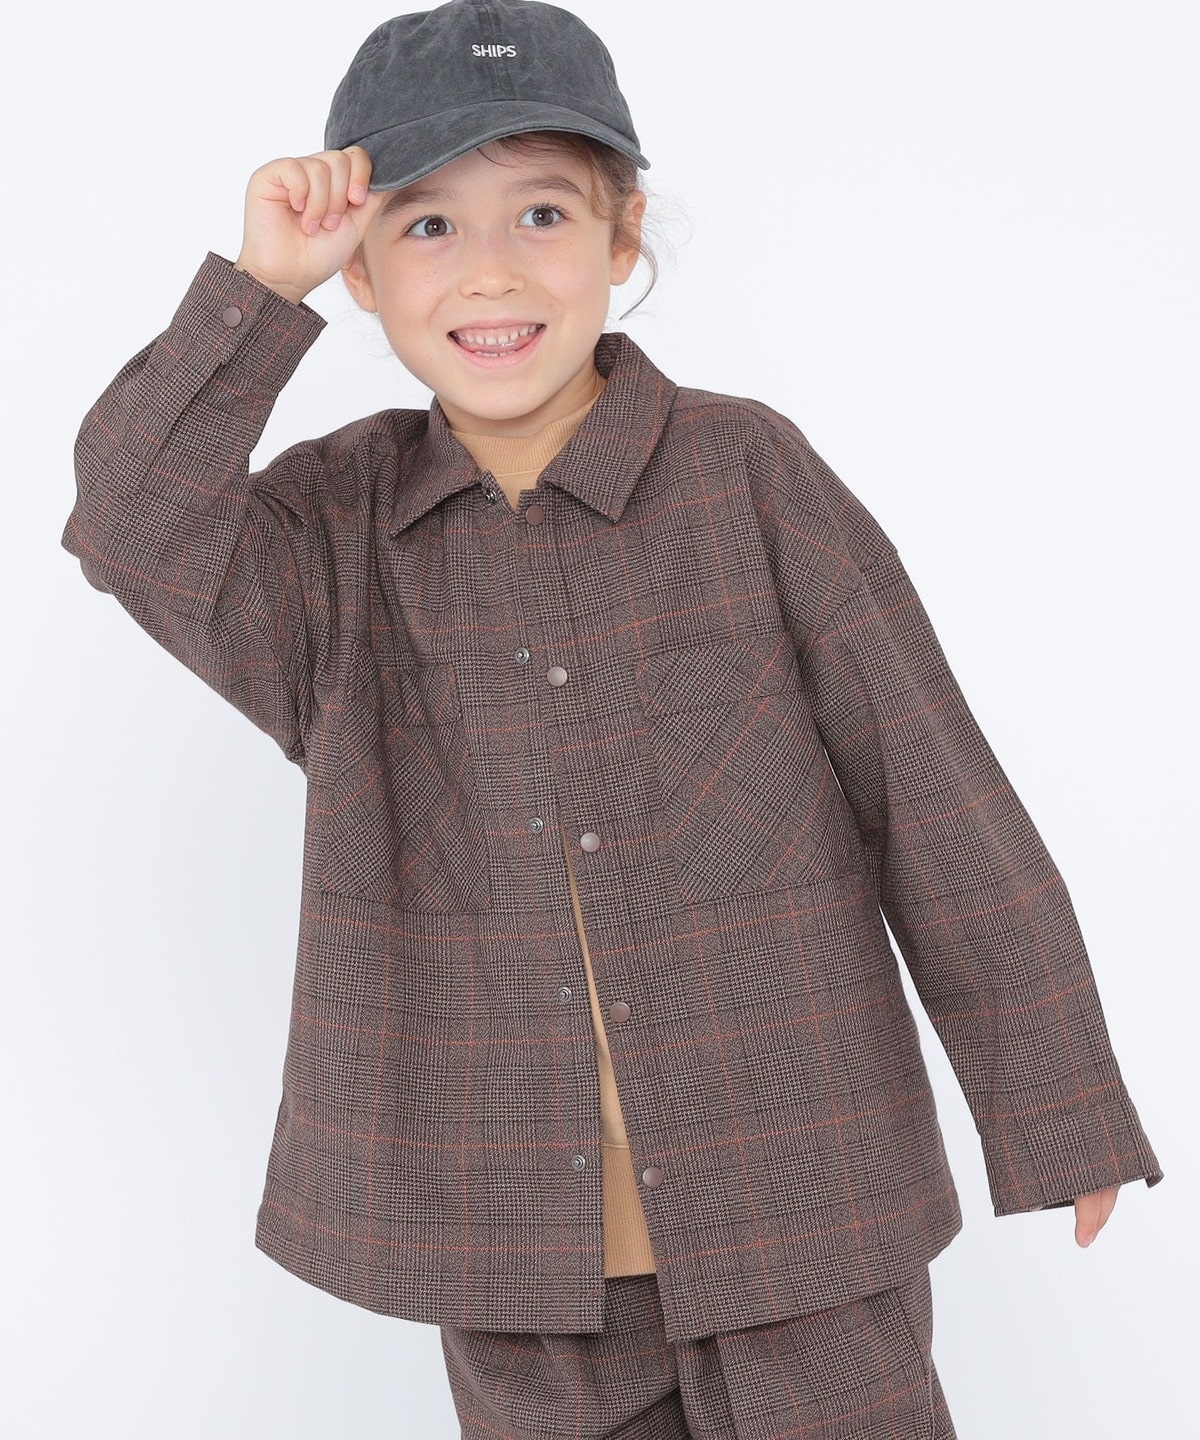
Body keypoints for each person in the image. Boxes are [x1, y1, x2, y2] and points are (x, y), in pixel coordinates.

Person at [61, 1, 1165, 1436]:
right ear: (361, 273)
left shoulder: (749, 476)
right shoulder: (330, 537)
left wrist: (1056, 1101)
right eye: (428, 226)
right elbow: (130, 522)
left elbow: (929, 787)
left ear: (623, 236)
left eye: (541, 213)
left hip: (802, 1200)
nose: (492, 270)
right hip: (508, 1243)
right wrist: (258, 293)